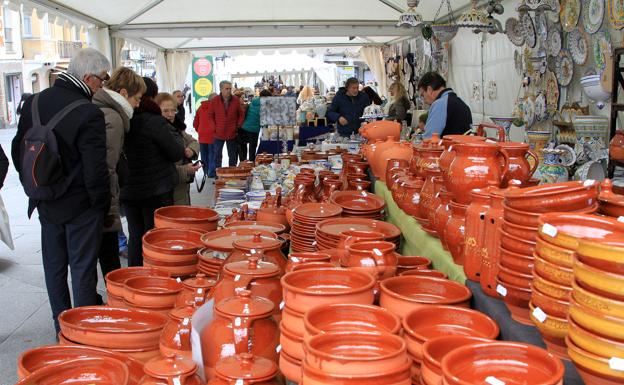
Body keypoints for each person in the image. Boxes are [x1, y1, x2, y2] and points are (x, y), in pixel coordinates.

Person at [11, 48, 111, 333]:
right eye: (102, 79)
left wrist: (34, 186)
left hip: (45, 201)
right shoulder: (88, 112)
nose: (103, 85)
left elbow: (18, 148)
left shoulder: (34, 102)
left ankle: (61, 328)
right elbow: (96, 169)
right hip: (80, 203)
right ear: (88, 77)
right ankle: (82, 333)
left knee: (54, 267)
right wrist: (100, 206)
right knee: (82, 268)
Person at [121, 77, 184, 267]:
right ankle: (154, 277)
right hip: (155, 190)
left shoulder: (126, 116)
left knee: (135, 235)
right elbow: (175, 152)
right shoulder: (153, 120)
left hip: (130, 188)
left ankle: (134, 275)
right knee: (155, 237)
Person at [92, 67, 146, 280]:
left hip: (98, 198)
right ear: (124, 93)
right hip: (104, 200)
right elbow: (108, 167)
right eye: (137, 98)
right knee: (108, 259)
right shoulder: (113, 117)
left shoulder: (101, 107)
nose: (138, 104)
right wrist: (111, 211)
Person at [156, 92, 201, 205]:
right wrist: (185, 170)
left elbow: (193, 141)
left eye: (173, 110)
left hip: (182, 186)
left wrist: (191, 150)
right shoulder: (158, 131)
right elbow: (160, 166)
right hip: (170, 188)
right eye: (165, 111)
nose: (170, 114)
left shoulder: (177, 128)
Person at [418, 72, 472, 138]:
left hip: (450, 147)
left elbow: (429, 137)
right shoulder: (459, 102)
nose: (424, 101)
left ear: (429, 90)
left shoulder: (440, 104)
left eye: (423, 95)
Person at [210, 80, 244, 169]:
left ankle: (232, 173)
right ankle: (218, 175)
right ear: (221, 89)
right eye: (226, 89)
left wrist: (238, 125)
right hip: (218, 134)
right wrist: (214, 128)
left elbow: (241, 114)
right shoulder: (214, 101)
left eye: (230, 88)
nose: (229, 90)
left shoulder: (236, 100)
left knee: (232, 156)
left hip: (232, 133)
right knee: (217, 156)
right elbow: (210, 115)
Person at [239, 89, 271, 162]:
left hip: (244, 127)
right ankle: (251, 163)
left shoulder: (254, 101)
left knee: (244, 148)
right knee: (252, 147)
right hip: (253, 129)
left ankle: (243, 164)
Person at [193, 93, 218, 178]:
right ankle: (211, 172)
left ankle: (205, 171)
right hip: (213, 134)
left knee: (204, 154)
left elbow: (195, 122)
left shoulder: (200, 108)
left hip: (202, 134)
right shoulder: (216, 108)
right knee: (212, 153)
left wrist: (199, 130)